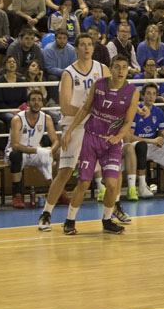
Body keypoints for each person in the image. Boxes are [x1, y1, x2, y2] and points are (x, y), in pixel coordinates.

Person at [60, 54, 139, 235]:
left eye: (124, 67)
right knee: (84, 183)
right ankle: (69, 220)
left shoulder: (133, 92)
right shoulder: (99, 85)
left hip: (112, 143)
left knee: (112, 184)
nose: (120, 71)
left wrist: (119, 137)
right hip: (92, 137)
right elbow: (85, 108)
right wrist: (70, 129)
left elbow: (128, 121)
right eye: (117, 67)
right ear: (110, 69)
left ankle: (107, 220)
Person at [38, 33, 109, 230]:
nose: (86, 48)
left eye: (89, 44)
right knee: (65, 172)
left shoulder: (102, 69)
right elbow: (66, 108)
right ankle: (46, 214)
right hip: (74, 127)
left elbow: (113, 95)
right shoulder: (68, 74)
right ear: (76, 49)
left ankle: (113, 210)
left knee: (109, 170)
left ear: (93, 48)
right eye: (82, 45)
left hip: (97, 127)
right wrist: (90, 111)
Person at [125, 83, 164, 198]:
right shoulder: (136, 110)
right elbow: (130, 137)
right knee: (142, 145)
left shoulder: (158, 112)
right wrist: (152, 140)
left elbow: (163, 132)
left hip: (152, 145)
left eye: (153, 94)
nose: (151, 96)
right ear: (143, 96)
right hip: (136, 146)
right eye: (148, 93)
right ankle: (142, 186)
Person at [6, 90, 60, 209]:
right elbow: (15, 145)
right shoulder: (17, 119)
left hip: (35, 151)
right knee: (15, 155)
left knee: (59, 153)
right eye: (33, 100)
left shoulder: (46, 118)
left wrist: (50, 151)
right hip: (19, 152)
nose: (36, 102)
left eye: (39, 100)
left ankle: (59, 192)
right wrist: (38, 151)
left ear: (42, 103)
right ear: (28, 103)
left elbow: (56, 141)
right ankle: (17, 195)